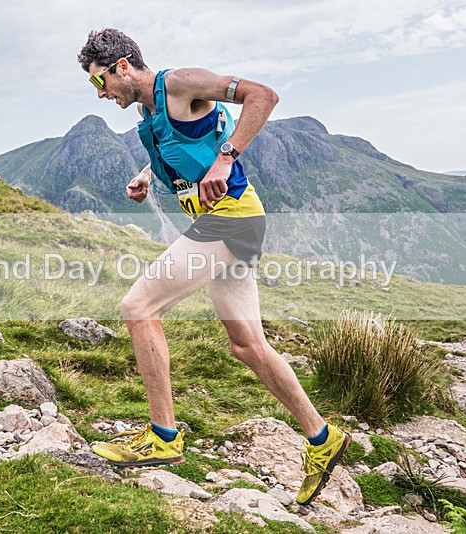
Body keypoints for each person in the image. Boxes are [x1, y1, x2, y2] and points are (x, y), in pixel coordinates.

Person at [77, 28, 350, 505]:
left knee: (138, 306)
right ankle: (323, 439)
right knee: (248, 346)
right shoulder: (147, 111)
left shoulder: (180, 83)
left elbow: (262, 96)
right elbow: (190, 147)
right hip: (225, 222)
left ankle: (163, 437)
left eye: (100, 82)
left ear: (122, 66)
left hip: (231, 220)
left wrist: (227, 160)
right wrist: (146, 177)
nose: (101, 94)